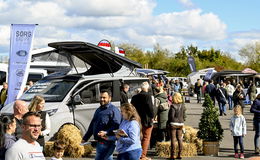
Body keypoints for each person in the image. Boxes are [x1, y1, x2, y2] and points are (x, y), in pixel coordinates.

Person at [82, 89, 121, 160]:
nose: (102, 99)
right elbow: (92, 125)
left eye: (104, 97)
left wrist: (106, 132)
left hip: (109, 142)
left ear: (110, 98)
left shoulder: (113, 110)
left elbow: (117, 126)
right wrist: (85, 138)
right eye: (101, 97)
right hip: (99, 142)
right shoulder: (98, 110)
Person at [131, 81, 154, 160]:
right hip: (146, 120)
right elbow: (150, 109)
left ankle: (137, 154)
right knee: (146, 138)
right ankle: (142, 155)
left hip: (136, 120)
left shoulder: (135, 97)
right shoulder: (148, 96)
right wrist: (152, 116)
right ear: (147, 88)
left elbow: (131, 109)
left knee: (137, 137)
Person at [168, 92, 186, 160]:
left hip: (173, 123)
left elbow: (171, 116)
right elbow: (184, 115)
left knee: (173, 139)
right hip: (181, 123)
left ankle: (172, 155)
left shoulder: (172, 106)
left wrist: (169, 122)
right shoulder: (183, 105)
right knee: (180, 138)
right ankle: (179, 155)